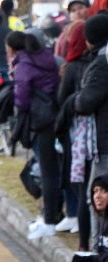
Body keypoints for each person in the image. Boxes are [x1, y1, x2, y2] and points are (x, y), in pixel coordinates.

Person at [8, 31, 62, 240]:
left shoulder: (24, 65)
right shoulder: (48, 58)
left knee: (48, 171)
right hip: (55, 115)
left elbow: (21, 97)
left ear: (12, 48)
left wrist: (21, 111)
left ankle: (49, 220)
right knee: (54, 169)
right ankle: (54, 214)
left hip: (40, 120)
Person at [57, 21, 94, 245]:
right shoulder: (99, 62)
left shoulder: (74, 67)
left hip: (80, 136)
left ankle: (84, 245)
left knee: (83, 188)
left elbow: (63, 100)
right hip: (95, 136)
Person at [75, 14, 108, 246]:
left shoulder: (102, 63)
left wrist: (75, 99)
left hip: (105, 143)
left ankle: (100, 255)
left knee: (97, 198)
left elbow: (85, 102)